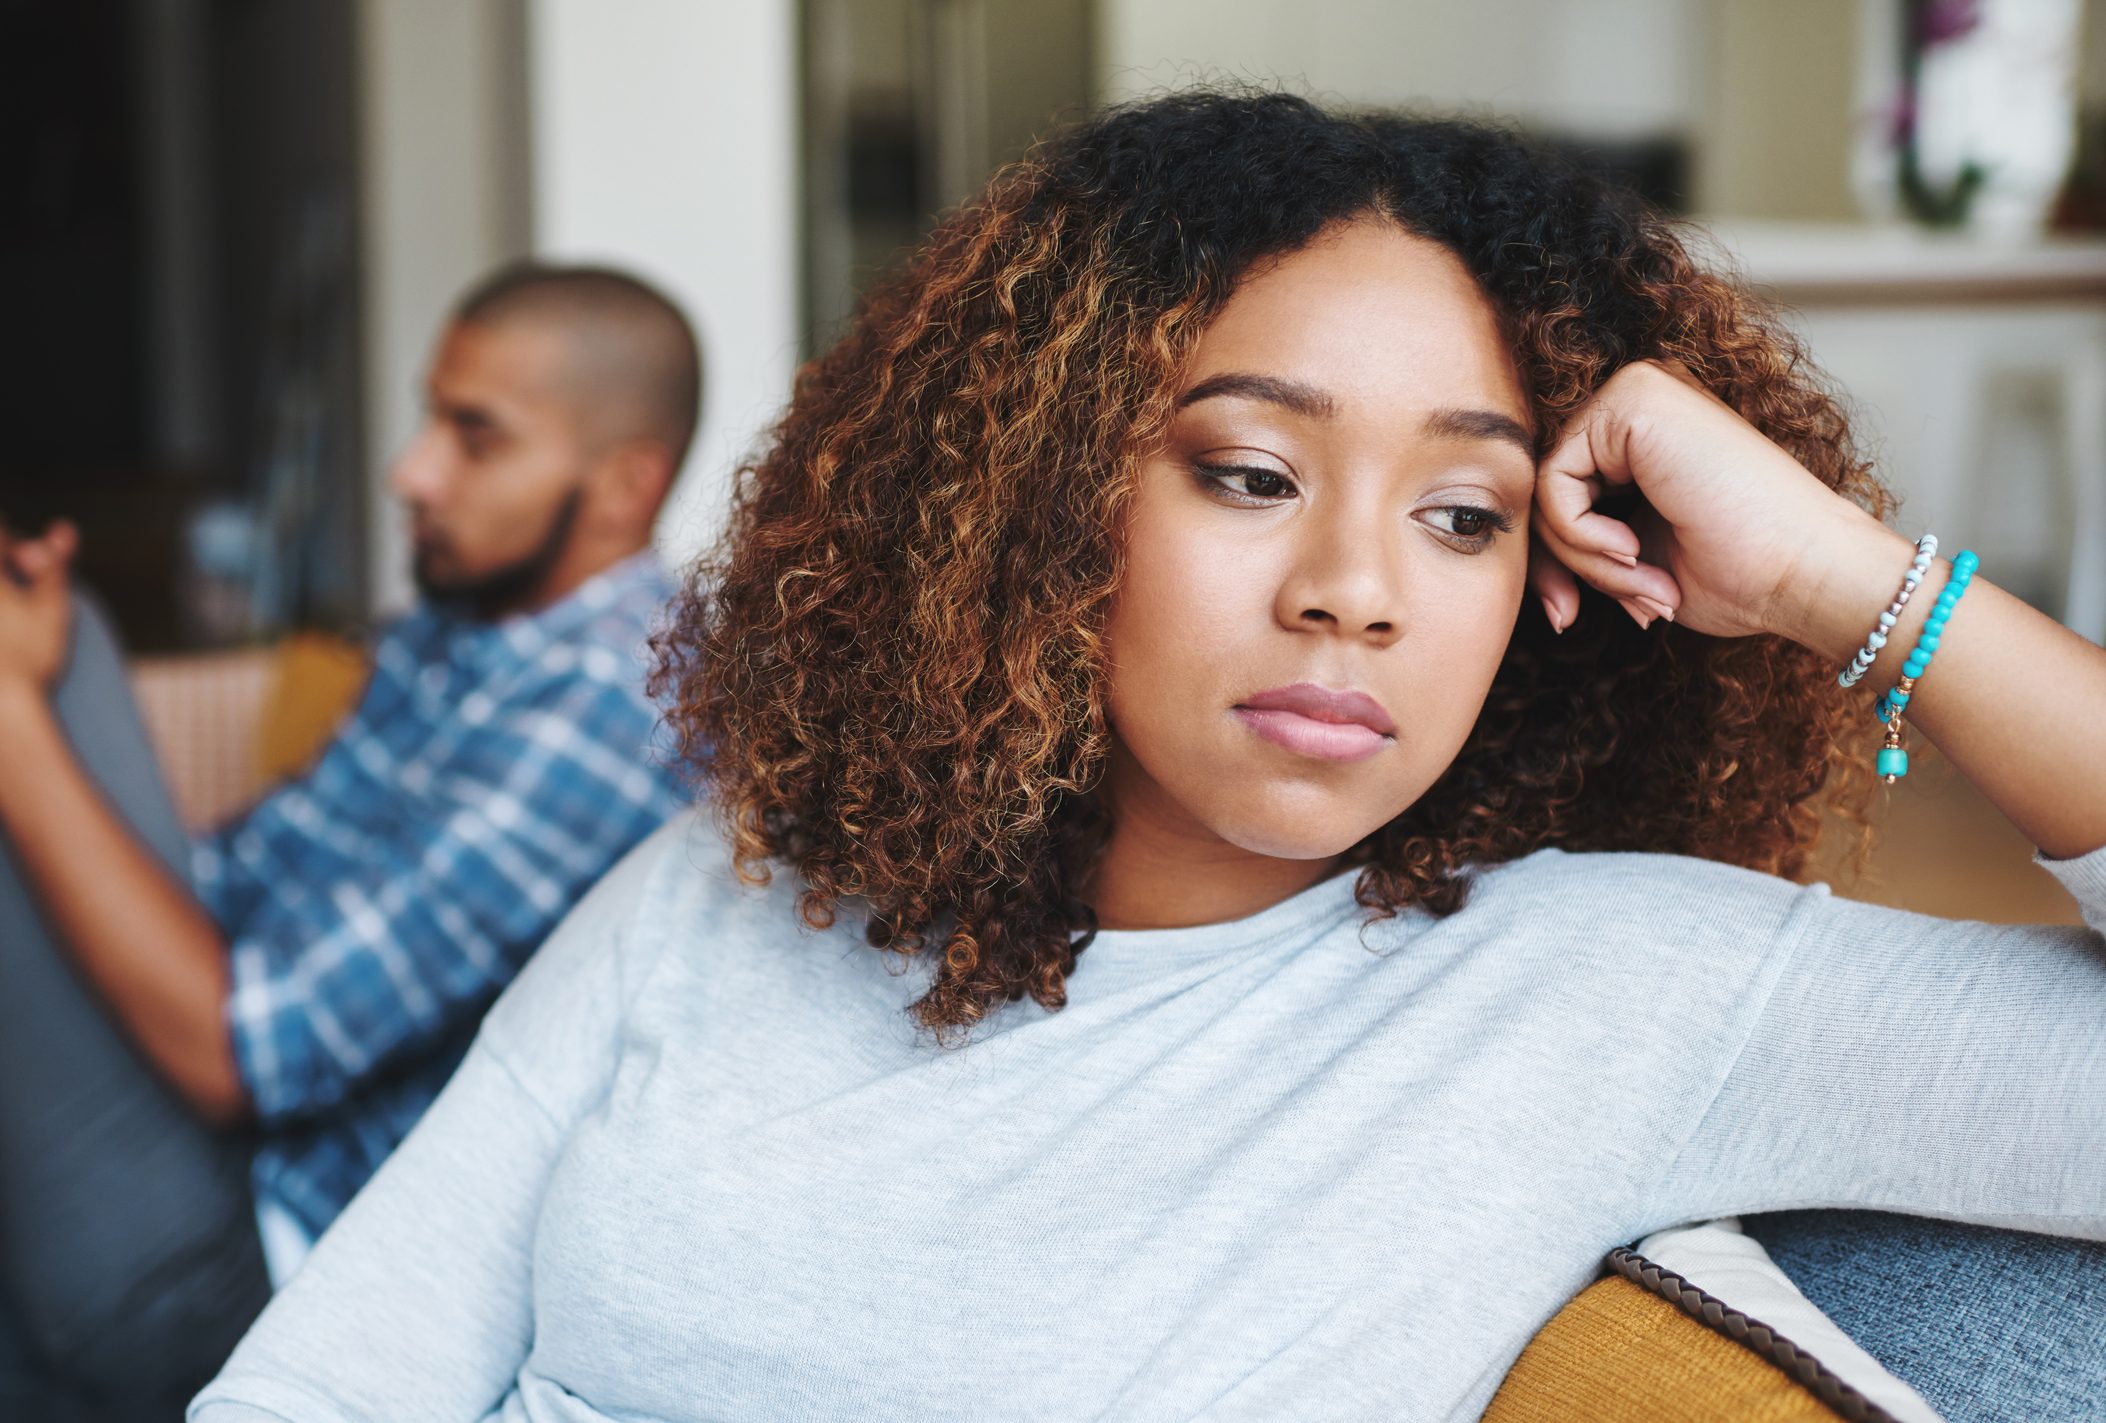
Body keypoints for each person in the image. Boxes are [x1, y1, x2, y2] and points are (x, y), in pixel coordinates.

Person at [191, 92, 2104, 1423]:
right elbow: (326, 1375)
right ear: (1040, 503)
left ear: (1553, 574)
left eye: (1464, 515)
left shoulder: (1618, 988)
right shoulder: (730, 881)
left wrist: (1856, 584)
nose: (1354, 588)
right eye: (1252, 475)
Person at [0, 262, 700, 1421]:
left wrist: (17, 723)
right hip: (195, 1159)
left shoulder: (609, 707)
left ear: (627, 486)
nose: (409, 470)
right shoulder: (462, 629)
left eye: (476, 438)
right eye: (433, 416)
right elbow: (232, 875)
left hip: (256, 1256)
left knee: (54, 633)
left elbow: (245, 1055)